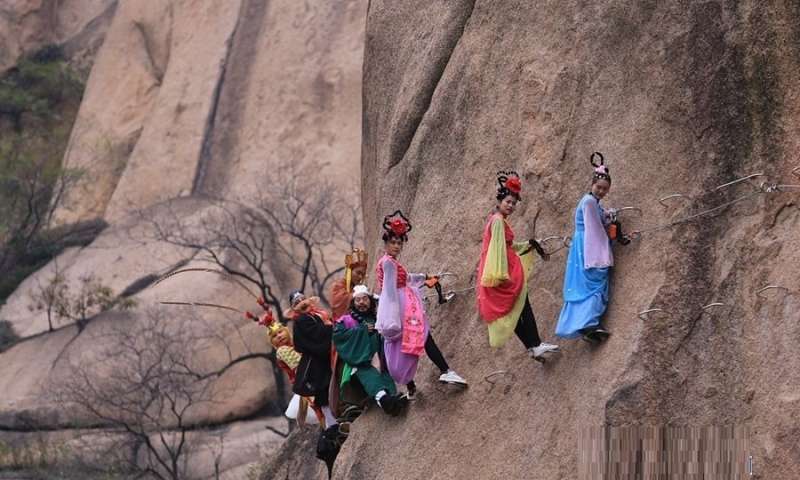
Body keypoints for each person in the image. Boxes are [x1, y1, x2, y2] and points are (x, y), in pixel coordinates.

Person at [375, 210, 466, 399]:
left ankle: (412, 387)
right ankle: (445, 370)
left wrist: (425, 278)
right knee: (422, 336)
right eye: (393, 242)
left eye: (399, 243)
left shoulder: (389, 262)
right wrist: (394, 318)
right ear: (386, 243)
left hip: (403, 304)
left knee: (412, 342)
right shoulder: (388, 263)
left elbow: (406, 278)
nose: (396, 246)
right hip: (402, 308)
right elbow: (390, 291)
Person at [477, 171, 560, 361]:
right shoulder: (498, 221)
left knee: (515, 311)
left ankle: (531, 346)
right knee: (523, 306)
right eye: (508, 202)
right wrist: (501, 275)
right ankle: (536, 344)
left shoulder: (495, 220)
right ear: (499, 201)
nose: (511, 206)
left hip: (499, 270)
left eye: (514, 203)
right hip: (504, 272)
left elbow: (507, 246)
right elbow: (497, 250)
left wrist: (527, 244)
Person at [555, 152, 620, 343]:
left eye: (604, 189)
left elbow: (598, 220)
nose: (601, 191)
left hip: (582, 245)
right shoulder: (590, 201)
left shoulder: (592, 202)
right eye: (599, 187)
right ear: (592, 185)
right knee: (595, 282)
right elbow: (595, 230)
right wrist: (603, 253)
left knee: (587, 286)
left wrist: (608, 216)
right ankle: (589, 323)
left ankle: (587, 323)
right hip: (589, 247)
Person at [333, 284, 409, 415]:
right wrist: (361, 331)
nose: (361, 303)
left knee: (385, 377)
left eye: (365, 299)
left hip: (380, 357)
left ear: (370, 301)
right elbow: (338, 337)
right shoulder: (346, 321)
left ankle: (392, 400)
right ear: (353, 303)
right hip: (360, 361)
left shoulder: (377, 317)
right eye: (358, 300)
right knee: (371, 378)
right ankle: (385, 401)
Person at [287, 290, 338, 428]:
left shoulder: (316, 314)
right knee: (323, 391)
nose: (301, 303)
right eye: (297, 303)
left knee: (329, 388)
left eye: (303, 299)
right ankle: (332, 425)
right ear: (293, 308)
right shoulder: (301, 320)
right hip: (317, 360)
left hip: (323, 355)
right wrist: (332, 329)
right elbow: (316, 334)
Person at [329, 248, 369, 321]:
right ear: (349, 271)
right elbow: (338, 305)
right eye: (358, 273)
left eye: (362, 274)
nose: (360, 277)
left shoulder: (356, 287)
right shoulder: (337, 286)